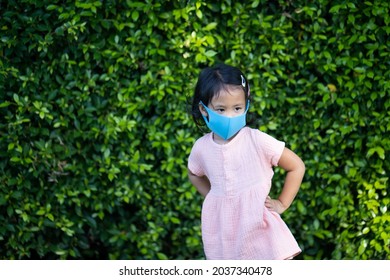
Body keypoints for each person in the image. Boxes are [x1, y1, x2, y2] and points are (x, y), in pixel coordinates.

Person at [187, 63, 305, 260]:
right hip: (225, 239)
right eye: (221, 109)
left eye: (237, 108)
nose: (230, 115)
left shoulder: (257, 140)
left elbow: (296, 166)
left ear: (246, 106)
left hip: (264, 235)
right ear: (204, 109)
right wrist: (214, 196)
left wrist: (282, 203)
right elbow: (194, 173)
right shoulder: (201, 148)